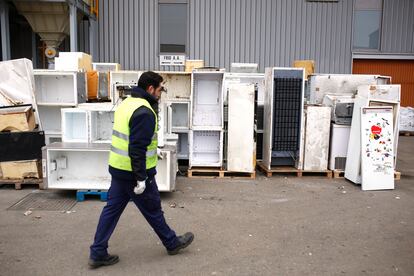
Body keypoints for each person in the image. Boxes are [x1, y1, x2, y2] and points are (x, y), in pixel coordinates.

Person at [89, 71, 194, 269]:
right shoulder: (145, 111)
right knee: (153, 210)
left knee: (110, 211)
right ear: (150, 88)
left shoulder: (126, 104)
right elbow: (136, 148)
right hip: (134, 173)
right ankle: (172, 243)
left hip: (118, 169)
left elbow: (131, 140)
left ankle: (97, 252)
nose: (160, 93)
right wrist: (141, 178)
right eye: (160, 89)